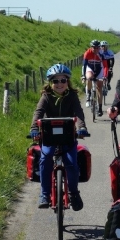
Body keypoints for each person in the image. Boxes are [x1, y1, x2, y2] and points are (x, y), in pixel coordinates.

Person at [29, 63, 90, 210]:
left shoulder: (72, 96)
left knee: (71, 162)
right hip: (49, 137)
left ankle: (74, 193)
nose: (59, 84)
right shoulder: (46, 96)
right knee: (45, 158)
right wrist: (34, 128)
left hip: (68, 136)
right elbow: (38, 112)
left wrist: (81, 127)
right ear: (50, 83)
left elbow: (78, 113)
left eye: (63, 80)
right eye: (55, 81)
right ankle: (44, 194)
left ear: (67, 82)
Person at [81, 39, 104, 116]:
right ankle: (88, 96)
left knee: (99, 88)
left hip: (99, 69)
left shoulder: (101, 54)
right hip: (90, 69)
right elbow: (84, 66)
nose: (96, 49)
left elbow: (105, 66)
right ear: (91, 47)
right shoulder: (87, 53)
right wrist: (83, 76)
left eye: (98, 48)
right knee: (89, 77)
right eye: (94, 47)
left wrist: (105, 76)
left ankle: (100, 108)